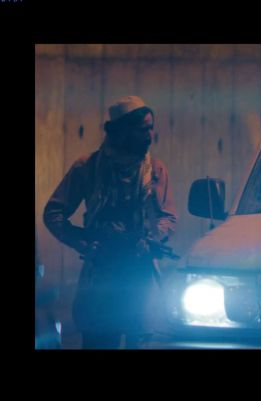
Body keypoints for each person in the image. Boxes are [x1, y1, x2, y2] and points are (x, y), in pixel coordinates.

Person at [43, 96, 177, 349]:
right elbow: (54, 213)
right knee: (99, 337)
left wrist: (153, 238)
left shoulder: (155, 170)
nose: (149, 136)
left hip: (140, 273)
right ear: (121, 132)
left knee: (141, 337)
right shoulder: (88, 167)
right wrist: (82, 241)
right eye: (142, 130)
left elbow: (167, 217)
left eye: (151, 128)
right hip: (100, 275)